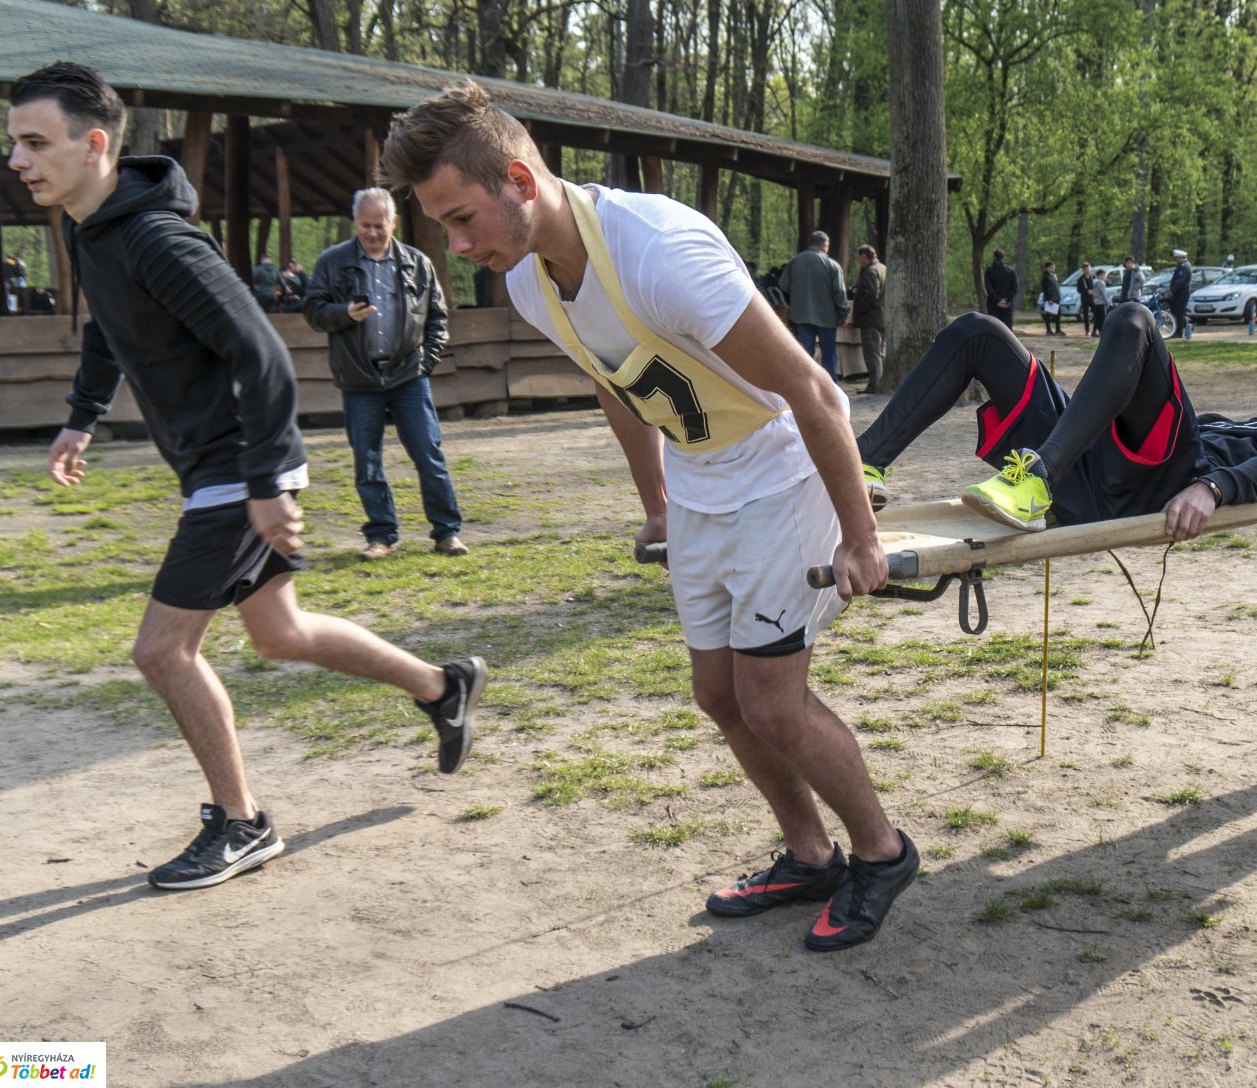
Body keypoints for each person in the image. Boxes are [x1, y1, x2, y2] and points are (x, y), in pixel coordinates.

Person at [379, 82, 915, 951]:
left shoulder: (659, 251)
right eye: (444, 225)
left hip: (782, 476)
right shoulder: (527, 282)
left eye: (463, 217)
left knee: (772, 704)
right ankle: (809, 852)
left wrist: (861, 534)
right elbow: (614, 380)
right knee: (719, 696)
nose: (457, 244)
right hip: (701, 487)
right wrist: (658, 504)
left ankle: (882, 852)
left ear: (520, 178)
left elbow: (814, 391)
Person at [8, 62, 483, 890]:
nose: (18, 158)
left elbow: (260, 352)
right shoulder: (95, 231)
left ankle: (242, 822)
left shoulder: (158, 238)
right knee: (280, 633)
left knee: (161, 650)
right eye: (13, 142)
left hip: (237, 468)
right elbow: (108, 330)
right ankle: (442, 686)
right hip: (222, 469)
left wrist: (263, 481)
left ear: (94, 145)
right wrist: (82, 416)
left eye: (35, 142)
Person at [857, 306, 1257, 535]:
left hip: (1159, 481)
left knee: (1132, 320)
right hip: (1089, 468)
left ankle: (1036, 478)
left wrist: (1214, 488)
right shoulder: (1225, 420)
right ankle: (859, 467)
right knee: (978, 331)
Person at [304, 187, 468, 559]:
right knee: (368, 462)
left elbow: (438, 319)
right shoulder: (332, 262)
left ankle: (447, 532)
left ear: (393, 222)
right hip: (359, 380)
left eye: (380, 225)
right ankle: (381, 536)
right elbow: (313, 310)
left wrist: (425, 364)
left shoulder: (417, 263)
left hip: (409, 376)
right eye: (365, 225)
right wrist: (344, 314)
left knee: (429, 456)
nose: (373, 232)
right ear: (355, 222)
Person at [784, 231, 849, 380]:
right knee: (829, 353)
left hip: (801, 315)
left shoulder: (794, 262)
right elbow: (839, 293)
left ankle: (804, 383)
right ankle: (831, 385)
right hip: (827, 317)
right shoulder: (832, 265)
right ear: (825, 245)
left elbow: (784, 286)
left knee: (805, 353)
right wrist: (844, 314)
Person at [848, 243, 886, 393]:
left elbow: (871, 294)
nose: (859, 261)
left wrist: (860, 309)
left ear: (864, 256)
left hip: (871, 319)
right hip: (882, 317)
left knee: (872, 354)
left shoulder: (870, 272)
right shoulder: (883, 268)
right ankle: (877, 383)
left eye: (859, 257)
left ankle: (874, 385)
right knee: (880, 353)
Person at [984, 249, 1018, 331]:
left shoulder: (989, 271)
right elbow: (1015, 287)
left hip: (993, 303)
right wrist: (1007, 300)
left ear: (994, 257)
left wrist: (998, 300)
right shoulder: (1011, 271)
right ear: (1004, 257)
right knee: (1007, 328)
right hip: (1008, 304)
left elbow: (988, 287)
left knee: (993, 326)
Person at [1167, 249, 1194, 340]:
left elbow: (1180, 281)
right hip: (1179, 292)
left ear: (1181, 258)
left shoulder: (1184, 266)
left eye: (1177, 258)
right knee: (1178, 312)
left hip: (1182, 292)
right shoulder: (1181, 266)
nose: (1176, 260)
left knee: (1180, 312)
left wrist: (1172, 290)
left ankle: (1180, 332)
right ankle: (1188, 327)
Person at [1038, 261, 1065, 336]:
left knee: (1058, 314)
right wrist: (1049, 298)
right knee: (1048, 315)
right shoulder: (1045, 277)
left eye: (1054, 267)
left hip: (1056, 298)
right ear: (1047, 268)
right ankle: (1049, 330)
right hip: (1050, 299)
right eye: (1051, 267)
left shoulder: (1053, 276)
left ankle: (1058, 330)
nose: (1053, 268)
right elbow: (1045, 289)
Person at [1090, 268, 1111, 336]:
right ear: (1100, 275)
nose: (1105, 277)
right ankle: (1101, 332)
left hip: (1096, 302)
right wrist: (1107, 302)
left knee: (1097, 318)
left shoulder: (1094, 282)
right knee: (1102, 318)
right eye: (1104, 275)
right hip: (1101, 302)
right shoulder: (1101, 283)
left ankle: (1094, 331)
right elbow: (1104, 293)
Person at [1075, 259, 1094, 331]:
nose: (1087, 270)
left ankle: (1097, 328)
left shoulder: (1093, 277)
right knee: (1086, 314)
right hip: (1085, 298)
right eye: (1085, 269)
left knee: (1096, 313)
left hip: (1093, 298)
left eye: (1088, 268)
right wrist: (1086, 291)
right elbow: (1078, 289)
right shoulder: (1080, 279)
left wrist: (1093, 291)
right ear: (1083, 270)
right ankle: (1087, 330)